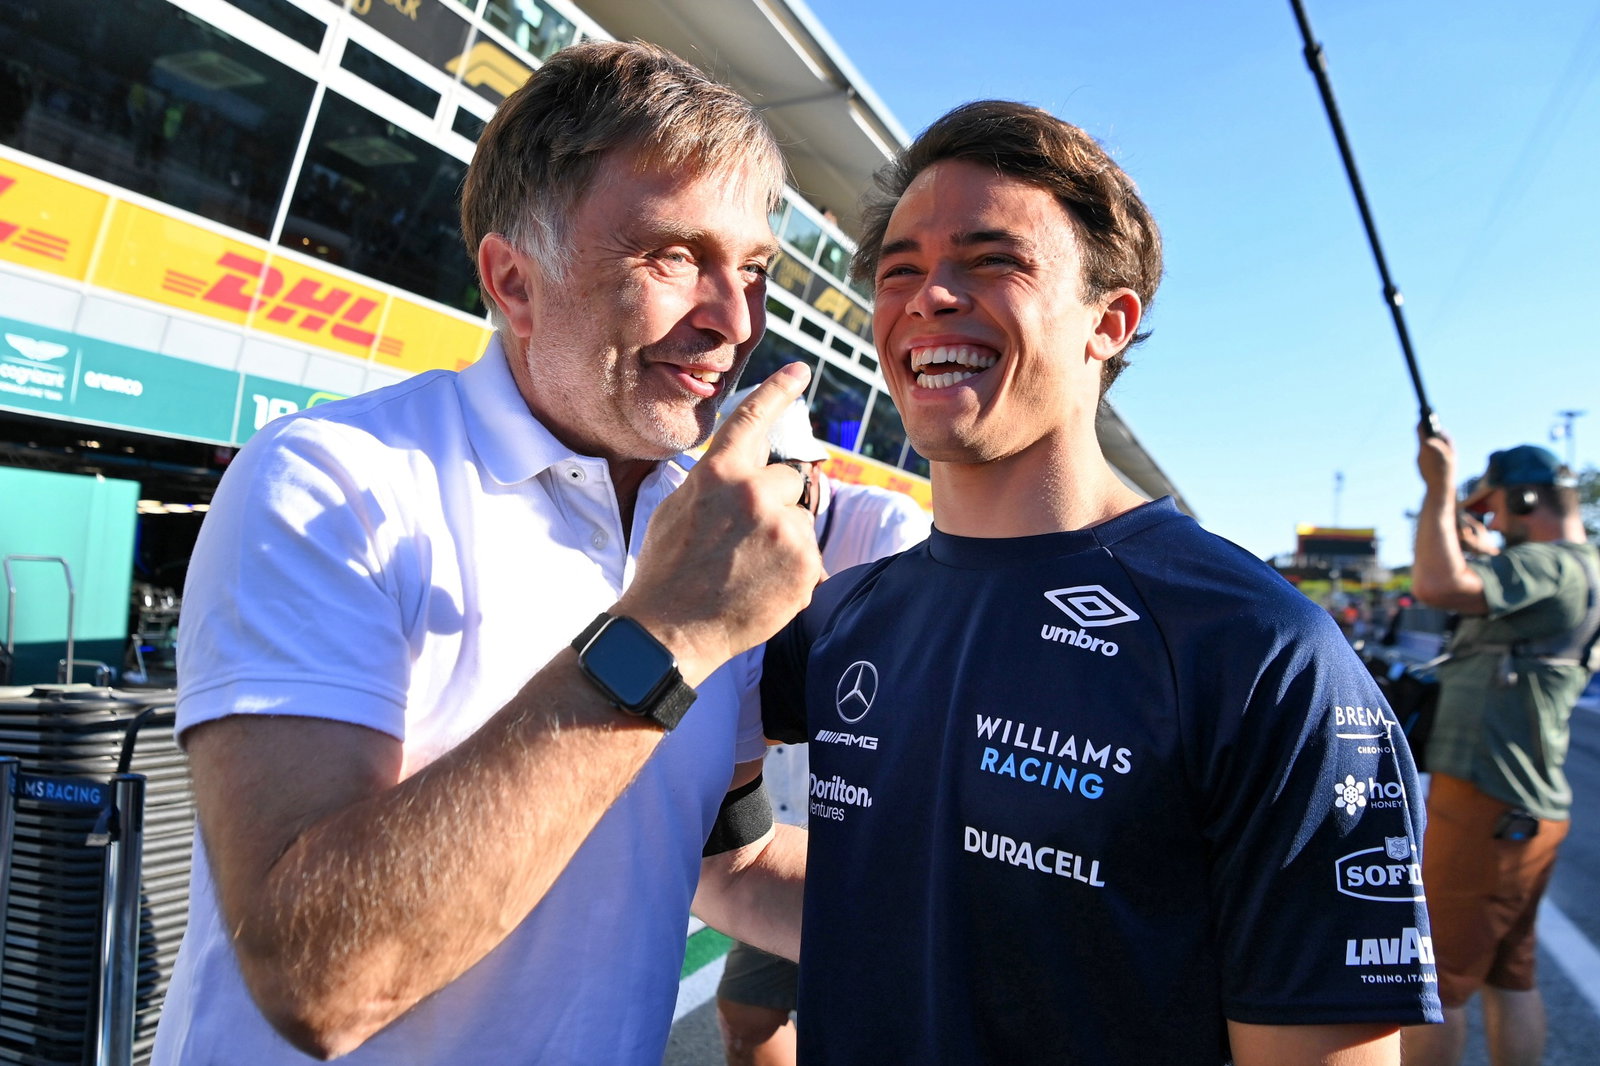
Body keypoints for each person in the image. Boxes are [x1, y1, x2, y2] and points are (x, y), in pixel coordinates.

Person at [152, 41, 819, 1065]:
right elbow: (322, 979)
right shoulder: (335, 481)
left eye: (754, 270)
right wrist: (669, 629)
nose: (732, 320)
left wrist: (1015, 921)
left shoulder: (705, 523)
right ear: (514, 281)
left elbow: (724, 868)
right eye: (673, 257)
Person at [759, 100, 1441, 1065]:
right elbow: (753, 861)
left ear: (1108, 325)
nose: (928, 297)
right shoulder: (843, 612)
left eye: (992, 260)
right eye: (899, 269)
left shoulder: (1260, 652)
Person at [715, 392, 931, 1065]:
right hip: (796, 829)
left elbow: (879, 695)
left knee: (876, 1029)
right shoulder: (726, 534)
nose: (758, 502)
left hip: (897, 838)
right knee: (747, 1014)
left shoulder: (892, 526)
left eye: (776, 476)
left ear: (816, 470)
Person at [1404, 435, 1598, 1066]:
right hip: (1528, 805)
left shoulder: (1550, 564)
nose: (1486, 523)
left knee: (1435, 984)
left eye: (1492, 511)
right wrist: (1491, 550)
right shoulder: (1582, 565)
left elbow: (1437, 583)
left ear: (1528, 499)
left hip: (1486, 800)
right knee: (1508, 976)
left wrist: (1438, 486)